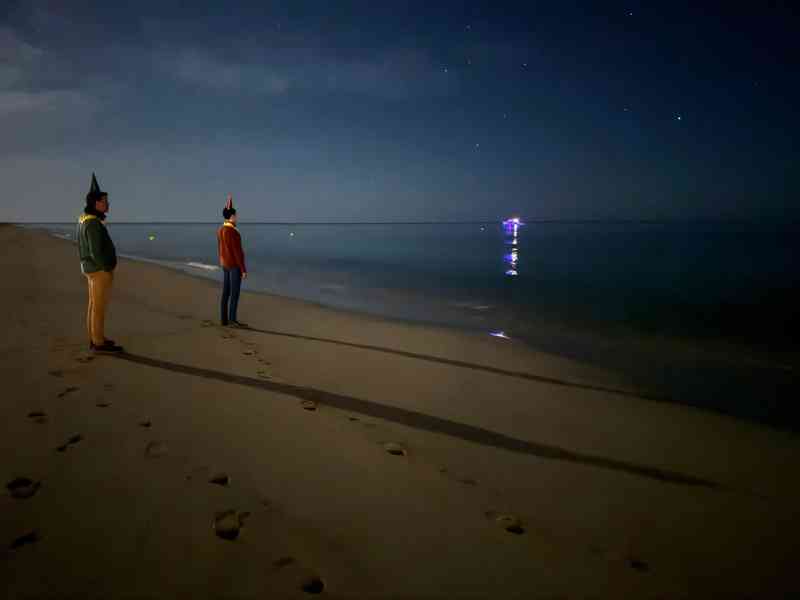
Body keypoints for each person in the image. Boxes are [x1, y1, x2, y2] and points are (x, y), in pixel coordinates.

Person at [77, 173, 123, 352]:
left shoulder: (83, 220)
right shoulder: (93, 224)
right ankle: (98, 342)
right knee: (98, 307)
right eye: (104, 201)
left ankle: (96, 337)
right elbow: (96, 252)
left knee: (93, 305)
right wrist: (108, 266)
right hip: (98, 271)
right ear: (96, 203)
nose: (107, 204)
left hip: (90, 268)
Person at [217, 194, 248, 327]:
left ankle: (224, 319)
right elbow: (237, 252)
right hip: (234, 265)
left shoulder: (220, 230)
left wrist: (222, 261)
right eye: (235, 215)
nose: (237, 217)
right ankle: (232, 320)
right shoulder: (232, 232)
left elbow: (220, 249)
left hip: (225, 264)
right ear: (231, 217)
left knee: (226, 292)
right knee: (234, 294)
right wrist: (243, 269)